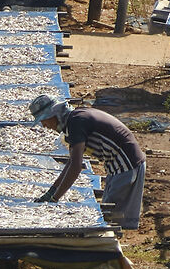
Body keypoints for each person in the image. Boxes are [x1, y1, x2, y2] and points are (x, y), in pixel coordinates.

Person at [26, 93, 145, 231]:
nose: (44, 125)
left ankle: (111, 249)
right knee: (109, 211)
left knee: (113, 217)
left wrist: (55, 198)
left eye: (44, 120)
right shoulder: (74, 120)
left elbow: (76, 167)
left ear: (55, 115)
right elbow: (71, 162)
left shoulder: (76, 123)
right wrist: (52, 191)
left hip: (126, 165)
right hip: (117, 166)